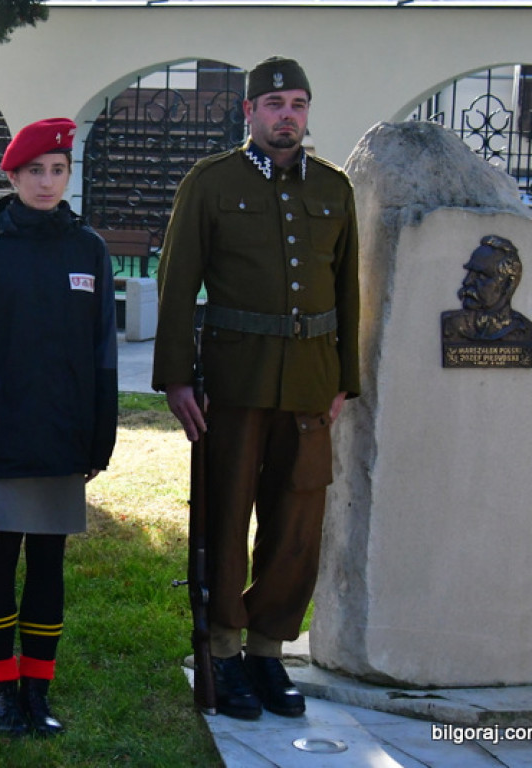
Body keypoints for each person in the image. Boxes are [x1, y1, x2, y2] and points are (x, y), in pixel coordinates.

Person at [152, 56, 361, 720]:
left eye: (298, 104)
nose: (287, 116)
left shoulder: (334, 189)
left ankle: (268, 653)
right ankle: (223, 649)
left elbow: (347, 289)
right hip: (233, 383)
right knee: (226, 515)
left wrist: (344, 381)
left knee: (297, 524)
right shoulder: (212, 184)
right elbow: (177, 284)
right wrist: (177, 377)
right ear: (249, 112)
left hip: (308, 385)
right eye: (274, 105)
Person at [0, 117, 118, 736]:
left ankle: (38, 690)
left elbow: (103, 351)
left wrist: (102, 433)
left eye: (58, 170)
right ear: (11, 176)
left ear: (70, 175)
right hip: (0, 435)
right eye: (35, 171)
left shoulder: (88, 248)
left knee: (49, 566)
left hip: (64, 435)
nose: (47, 183)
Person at [442, 234, 532, 342]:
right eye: (470, 272)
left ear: (508, 284)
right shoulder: (452, 324)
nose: (467, 281)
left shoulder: (525, 331)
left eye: (482, 276)